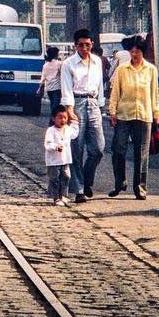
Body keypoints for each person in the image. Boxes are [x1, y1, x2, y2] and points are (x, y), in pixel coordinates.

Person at [107, 36, 159, 199]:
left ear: (142, 51)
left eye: (137, 50)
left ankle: (140, 187)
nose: (134, 53)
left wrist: (156, 112)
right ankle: (119, 182)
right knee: (118, 150)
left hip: (144, 115)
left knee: (141, 153)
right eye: (132, 50)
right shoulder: (122, 69)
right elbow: (115, 91)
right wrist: (112, 111)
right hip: (124, 114)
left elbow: (154, 93)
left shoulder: (151, 70)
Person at [59, 28, 105, 204]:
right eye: (81, 45)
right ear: (75, 46)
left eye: (88, 45)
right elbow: (66, 88)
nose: (84, 48)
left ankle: (86, 181)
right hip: (76, 105)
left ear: (92, 44)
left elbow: (100, 84)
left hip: (93, 104)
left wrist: (101, 106)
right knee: (76, 149)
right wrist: (69, 111)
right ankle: (79, 189)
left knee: (98, 149)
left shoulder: (97, 62)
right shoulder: (68, 64)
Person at [45, 106, 79, 206]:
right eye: (60, 117)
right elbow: (48, 144)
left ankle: (64, 195)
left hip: (65, 159)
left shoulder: (68, 129)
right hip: (53, 161)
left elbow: (74, 134)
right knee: (55, 179)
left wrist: (75, 123)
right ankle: (56, 197)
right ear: (53, 118)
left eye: (65, 117)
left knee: (66, 177)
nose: (62, 120)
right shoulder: (51, 131)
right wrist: (55, 147)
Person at [38, 46, 62, 115]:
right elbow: (62, 76)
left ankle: (53, 119)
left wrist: (40, 88)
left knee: (53, 105)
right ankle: (54, 121)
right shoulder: (59, 64)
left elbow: (43, 77)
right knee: (56, 106)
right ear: (55, 54)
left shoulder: (45, 65)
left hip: (49, 89)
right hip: (57, 88)